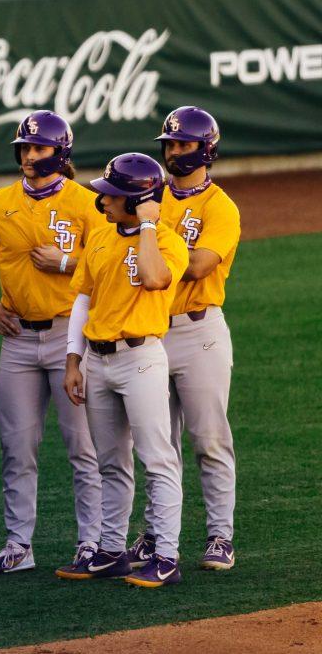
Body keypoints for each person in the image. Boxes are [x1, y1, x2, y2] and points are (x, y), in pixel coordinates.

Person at [0, 111, 103, 576]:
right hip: (19, 338)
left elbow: (109, 262)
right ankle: (18, 545)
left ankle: (92, 542)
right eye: (24, 148)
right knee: (17, 446)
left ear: (59, 151)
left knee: (83, 446)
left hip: (72, 336)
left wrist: (66, 262)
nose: (28, 155)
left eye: (38, 148)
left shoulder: (87, 203)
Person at [62, 152, 189, 588]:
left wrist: (149, 226)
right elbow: (83, 300)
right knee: (110, 463)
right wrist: (73, 359)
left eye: (113, 197)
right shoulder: (99, 237)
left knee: (157, 459)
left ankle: (167, 557)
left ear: (138, 201)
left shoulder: (169, 241)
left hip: (141, 360)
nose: (103, 202)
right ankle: (112, 551)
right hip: (98, 361)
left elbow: (155, 278)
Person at [126, 108, 240, 572]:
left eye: (183, 144)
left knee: (208, 438)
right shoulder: (150, 196)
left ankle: (220, 536)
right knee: (157, 442)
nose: (173, 151)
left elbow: (195, 267)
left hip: (199, 333)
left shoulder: (220, 208)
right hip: (151, 333)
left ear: (206, 149)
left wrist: (152, 241)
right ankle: (155, 535)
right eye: (169, 144)